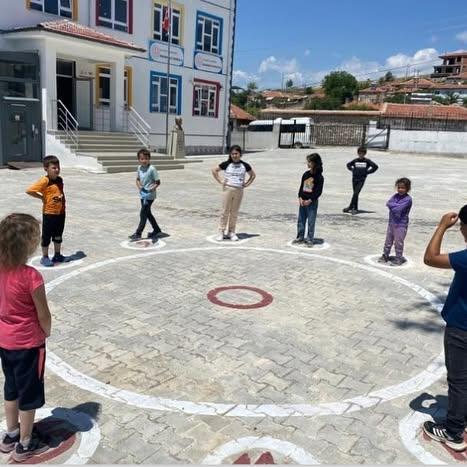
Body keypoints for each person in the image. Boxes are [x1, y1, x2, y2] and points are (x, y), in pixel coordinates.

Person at [0, 213, 51, 461]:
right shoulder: (31, 276)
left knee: (11, 389)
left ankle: (10, 434)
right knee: (28, 396)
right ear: (27, 245)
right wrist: (47, 331)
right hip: (29, 344)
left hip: (5, 341)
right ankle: (25, 444)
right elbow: (43, 313)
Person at [422, 206, 467, 452]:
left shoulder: (465, 258)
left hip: (461, 328)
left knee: (458, 381)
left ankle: (453, 431)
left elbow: (430, 258)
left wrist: (441, 226)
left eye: (462, 226)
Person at [26, 155, 67, 267]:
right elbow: (30, 190)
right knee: (47, 235)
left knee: (58, 235)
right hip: (49, 213)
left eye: (58, 167)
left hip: (61, 213)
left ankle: (57, 254)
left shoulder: (59, 180)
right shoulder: (45, 180)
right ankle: (45, 257)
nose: (57, 169)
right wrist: (41, 197)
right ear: (46, 169)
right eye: (54, 168)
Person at [212, 145, 256, 241]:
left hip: (239, 190)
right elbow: (214, 170)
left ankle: (231, 231)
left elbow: (253, 175)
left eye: (236, 153)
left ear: (240, 154)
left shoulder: (245, 165)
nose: (234, 156)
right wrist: (220, 180)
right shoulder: (226, 164)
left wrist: (246, 184)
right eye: (232, 154)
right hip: (228, 189)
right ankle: (221, 231)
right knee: (225, 211)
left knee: (234, 212)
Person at [129, 148, 162, 241]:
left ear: (149, 159)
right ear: (139, 159)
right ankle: (157, 229)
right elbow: (138, 179)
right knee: (147, 213)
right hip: (142, 194)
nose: (144, 160)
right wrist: (139, 186)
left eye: (146, 158)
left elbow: (158, 182)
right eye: (142, 159)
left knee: (143, 213)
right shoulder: (139, 168)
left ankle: (138, 233)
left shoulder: (152, 169)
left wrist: (152, 188)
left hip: (150, 196)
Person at [378, 178, 413, 266]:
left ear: (407, 189)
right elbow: (388, 203)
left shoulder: (408, 199)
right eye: (399, 187)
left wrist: (393, 206)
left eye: (403, 188)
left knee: (398, 242)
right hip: (391, 223)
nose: (400, 190)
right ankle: (385, 255)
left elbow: (398, 210)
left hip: (401, 224)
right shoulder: (395, 196)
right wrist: (394, 205)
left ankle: (398, 258)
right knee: (388, 241)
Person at [292, 153, 324, 247]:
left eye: (309, 161)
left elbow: (318, 192)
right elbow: (301, 187)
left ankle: (310, 239)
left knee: (311, 221)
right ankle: (300, 237)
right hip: (303, 201)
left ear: (314, 163)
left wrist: (310, 200)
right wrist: (300, 197)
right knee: (301, 220)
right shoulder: (306, 174)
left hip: (312, 202)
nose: (307, 163)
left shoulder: (319, 177)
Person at [343, 146, 378, 215]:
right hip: (354, 178)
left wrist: (367, 172)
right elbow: (348, 165)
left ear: (365, 154)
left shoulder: (367, 161)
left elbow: (375, 167)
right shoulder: (355, 160)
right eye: (360, 153)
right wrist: (353, 170)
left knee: (356, 193)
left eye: (362, 153)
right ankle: (355, 208)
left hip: (361, 179)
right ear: (358, 153)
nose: (361, 154)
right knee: (355, 194)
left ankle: (350, 207)